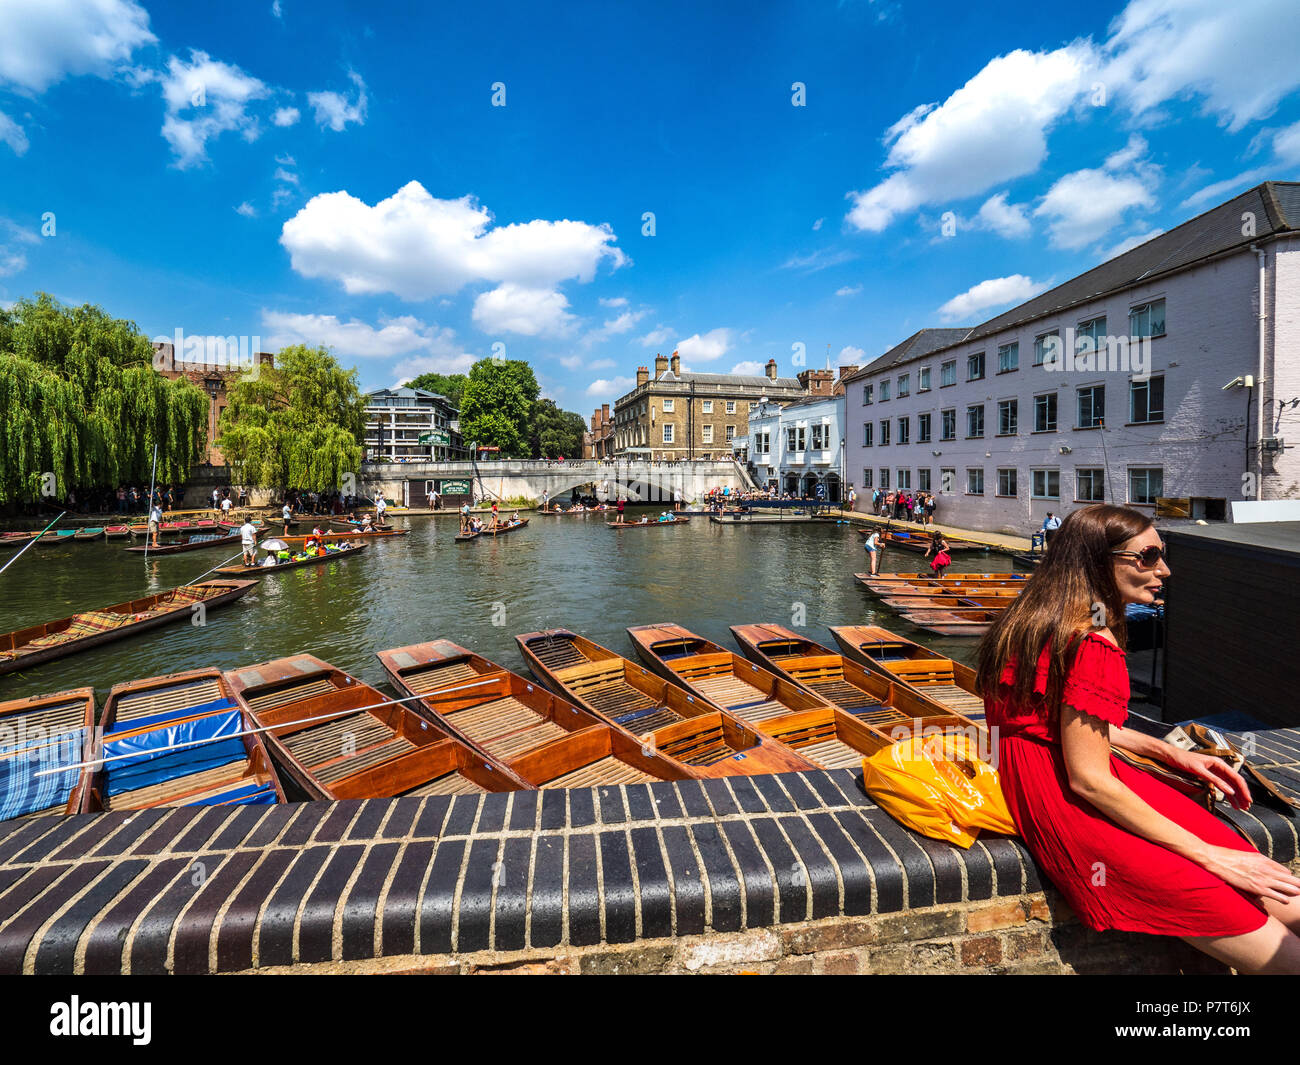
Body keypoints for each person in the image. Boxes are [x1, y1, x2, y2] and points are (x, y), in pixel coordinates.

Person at [976, 504, 1300, 974]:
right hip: (1077, 798)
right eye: (1147, 557)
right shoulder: (1091, 641)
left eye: (1161, 555)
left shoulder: (1032, 618)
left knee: (1268, 884)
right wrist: (1211, 858)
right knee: (1251, 907)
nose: (1164, 570)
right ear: (1096, 561)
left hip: (1043, 775)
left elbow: (1066, 724)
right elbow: (1088, 779)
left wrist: (1167, 751)